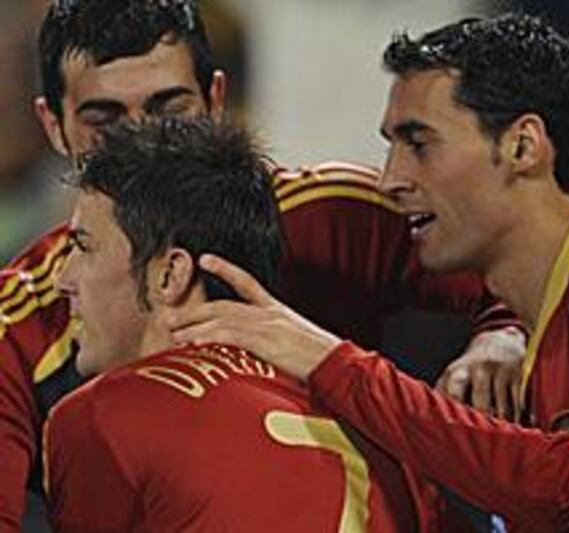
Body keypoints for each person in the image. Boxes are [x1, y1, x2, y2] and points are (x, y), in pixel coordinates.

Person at [167, 17, 569, 531]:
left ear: (523, 147)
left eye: (420, 143)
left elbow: (562, 486)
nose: (392, 179)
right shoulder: (545, 322)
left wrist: (326, 358)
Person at [0, 1, 524, 528]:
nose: (144, 149)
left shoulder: (332, 214)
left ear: (216, 100)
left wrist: (506, 333)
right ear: (54, 126)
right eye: (106, 122)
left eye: (169, 112)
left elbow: (537, 255)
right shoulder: (16, 326)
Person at [44, 116, 442, 532]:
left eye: (83, 248)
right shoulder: (387, 434)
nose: (63, 280)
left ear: (169, 274)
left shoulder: (101, 416)